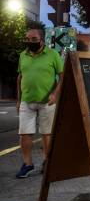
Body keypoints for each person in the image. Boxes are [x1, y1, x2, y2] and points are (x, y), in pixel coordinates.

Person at [15, 28, 64, 178]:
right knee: (24, 133)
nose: (30, 42)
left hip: (47, 102)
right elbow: (20, 77)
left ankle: (47, 162)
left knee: (46, 134)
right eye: (27, 39)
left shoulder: (53, 54)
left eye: (33, 39)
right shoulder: (23, 55)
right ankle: (28, 164)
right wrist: (18, 99)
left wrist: (55, 94)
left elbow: (62, 76)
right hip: (26, 101)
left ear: (42, 40)